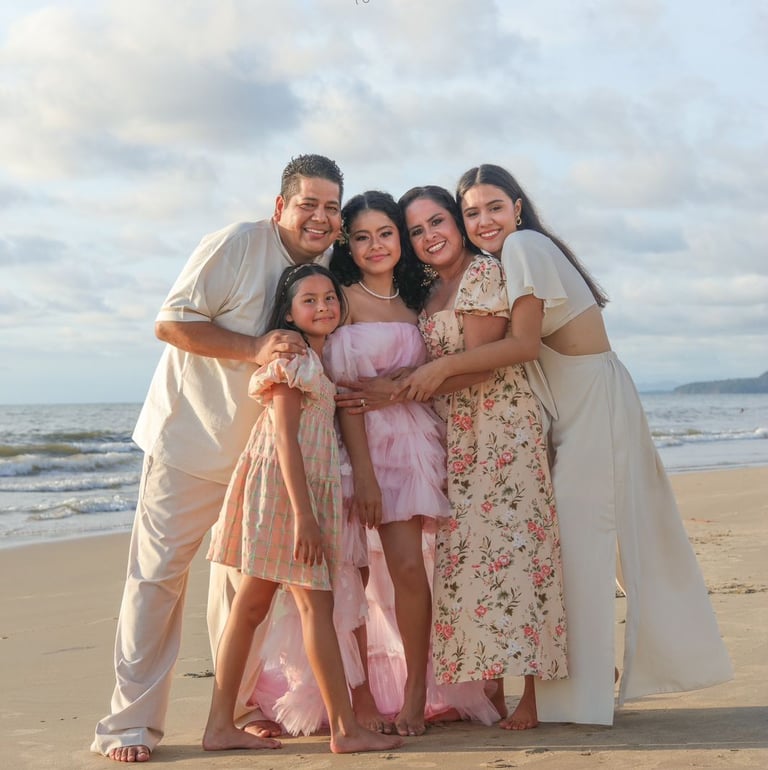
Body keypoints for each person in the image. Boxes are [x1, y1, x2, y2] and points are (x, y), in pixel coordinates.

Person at [404, 164, 733, 725]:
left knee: (581, 545)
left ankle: (567, 694)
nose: (484, 221)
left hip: (592, 404)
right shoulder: (509, 257)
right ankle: (584, 680)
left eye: (494, 208)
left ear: (518, 207)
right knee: (574, 546)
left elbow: (524, 345)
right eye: (472, 212)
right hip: (567, 407)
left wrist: (428, 377)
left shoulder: (524, 247)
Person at [91, 154, 346, 763]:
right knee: (157, 580)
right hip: (187, 440)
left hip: (260, 460)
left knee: (241, 596)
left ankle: (230, 715)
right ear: (280, 206)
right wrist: (254, 348)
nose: (321, 217)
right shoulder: (236, 244)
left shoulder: (328, 265)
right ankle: (129, 726)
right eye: (308, 203)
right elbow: (172, 322)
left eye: (332, 207)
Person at [203, 263, 404, 755]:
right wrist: (305, 516)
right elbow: (284, 440)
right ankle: (343, 728)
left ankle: (219, 725)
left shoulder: (318, 362)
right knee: (315, 604)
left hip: (294, 492)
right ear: (289, 313)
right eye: (308, 300)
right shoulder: (293, 362)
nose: (323, 307)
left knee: (252, 607)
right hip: (285, 494)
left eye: (329, 298)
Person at [324, 191, 500, 735]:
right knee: (354, 574)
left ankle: (418, 689)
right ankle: (361, 698)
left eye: (385, 233)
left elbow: (446, 368)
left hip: (418, 443)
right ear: (347, 247)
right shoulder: (341, 301)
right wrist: (367, 477)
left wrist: (399, 392)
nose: (375, 245)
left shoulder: (417, 300)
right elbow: (348, 396)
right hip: (359, 451)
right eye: (361, 236)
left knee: (410, 569)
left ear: (401, 239)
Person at [395, 185, 568, 730]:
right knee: (470, 562)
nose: (429, 237)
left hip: (501, 429)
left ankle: (534, 696)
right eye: (417, 230)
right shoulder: (428, 290)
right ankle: (488, 687)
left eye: (438, 222)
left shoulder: (484, 274)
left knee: (519, 554)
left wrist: (411, 383)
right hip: (458, 432)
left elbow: (480, 364)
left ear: (457, 222)